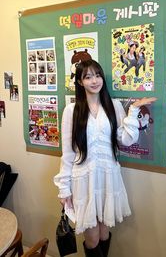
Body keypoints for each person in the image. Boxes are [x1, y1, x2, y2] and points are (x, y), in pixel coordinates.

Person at [54, 60, 157, 257]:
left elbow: (125, 140)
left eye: (97, 75)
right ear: (80, 82)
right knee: (91, 238)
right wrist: (63, 188)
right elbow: (67, 152)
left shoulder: (114, 106)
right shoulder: (71, 111)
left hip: (108, 176)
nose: (94, 81)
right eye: (88, 76)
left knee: (103, 233)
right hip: (83, 179)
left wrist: (133, 110)